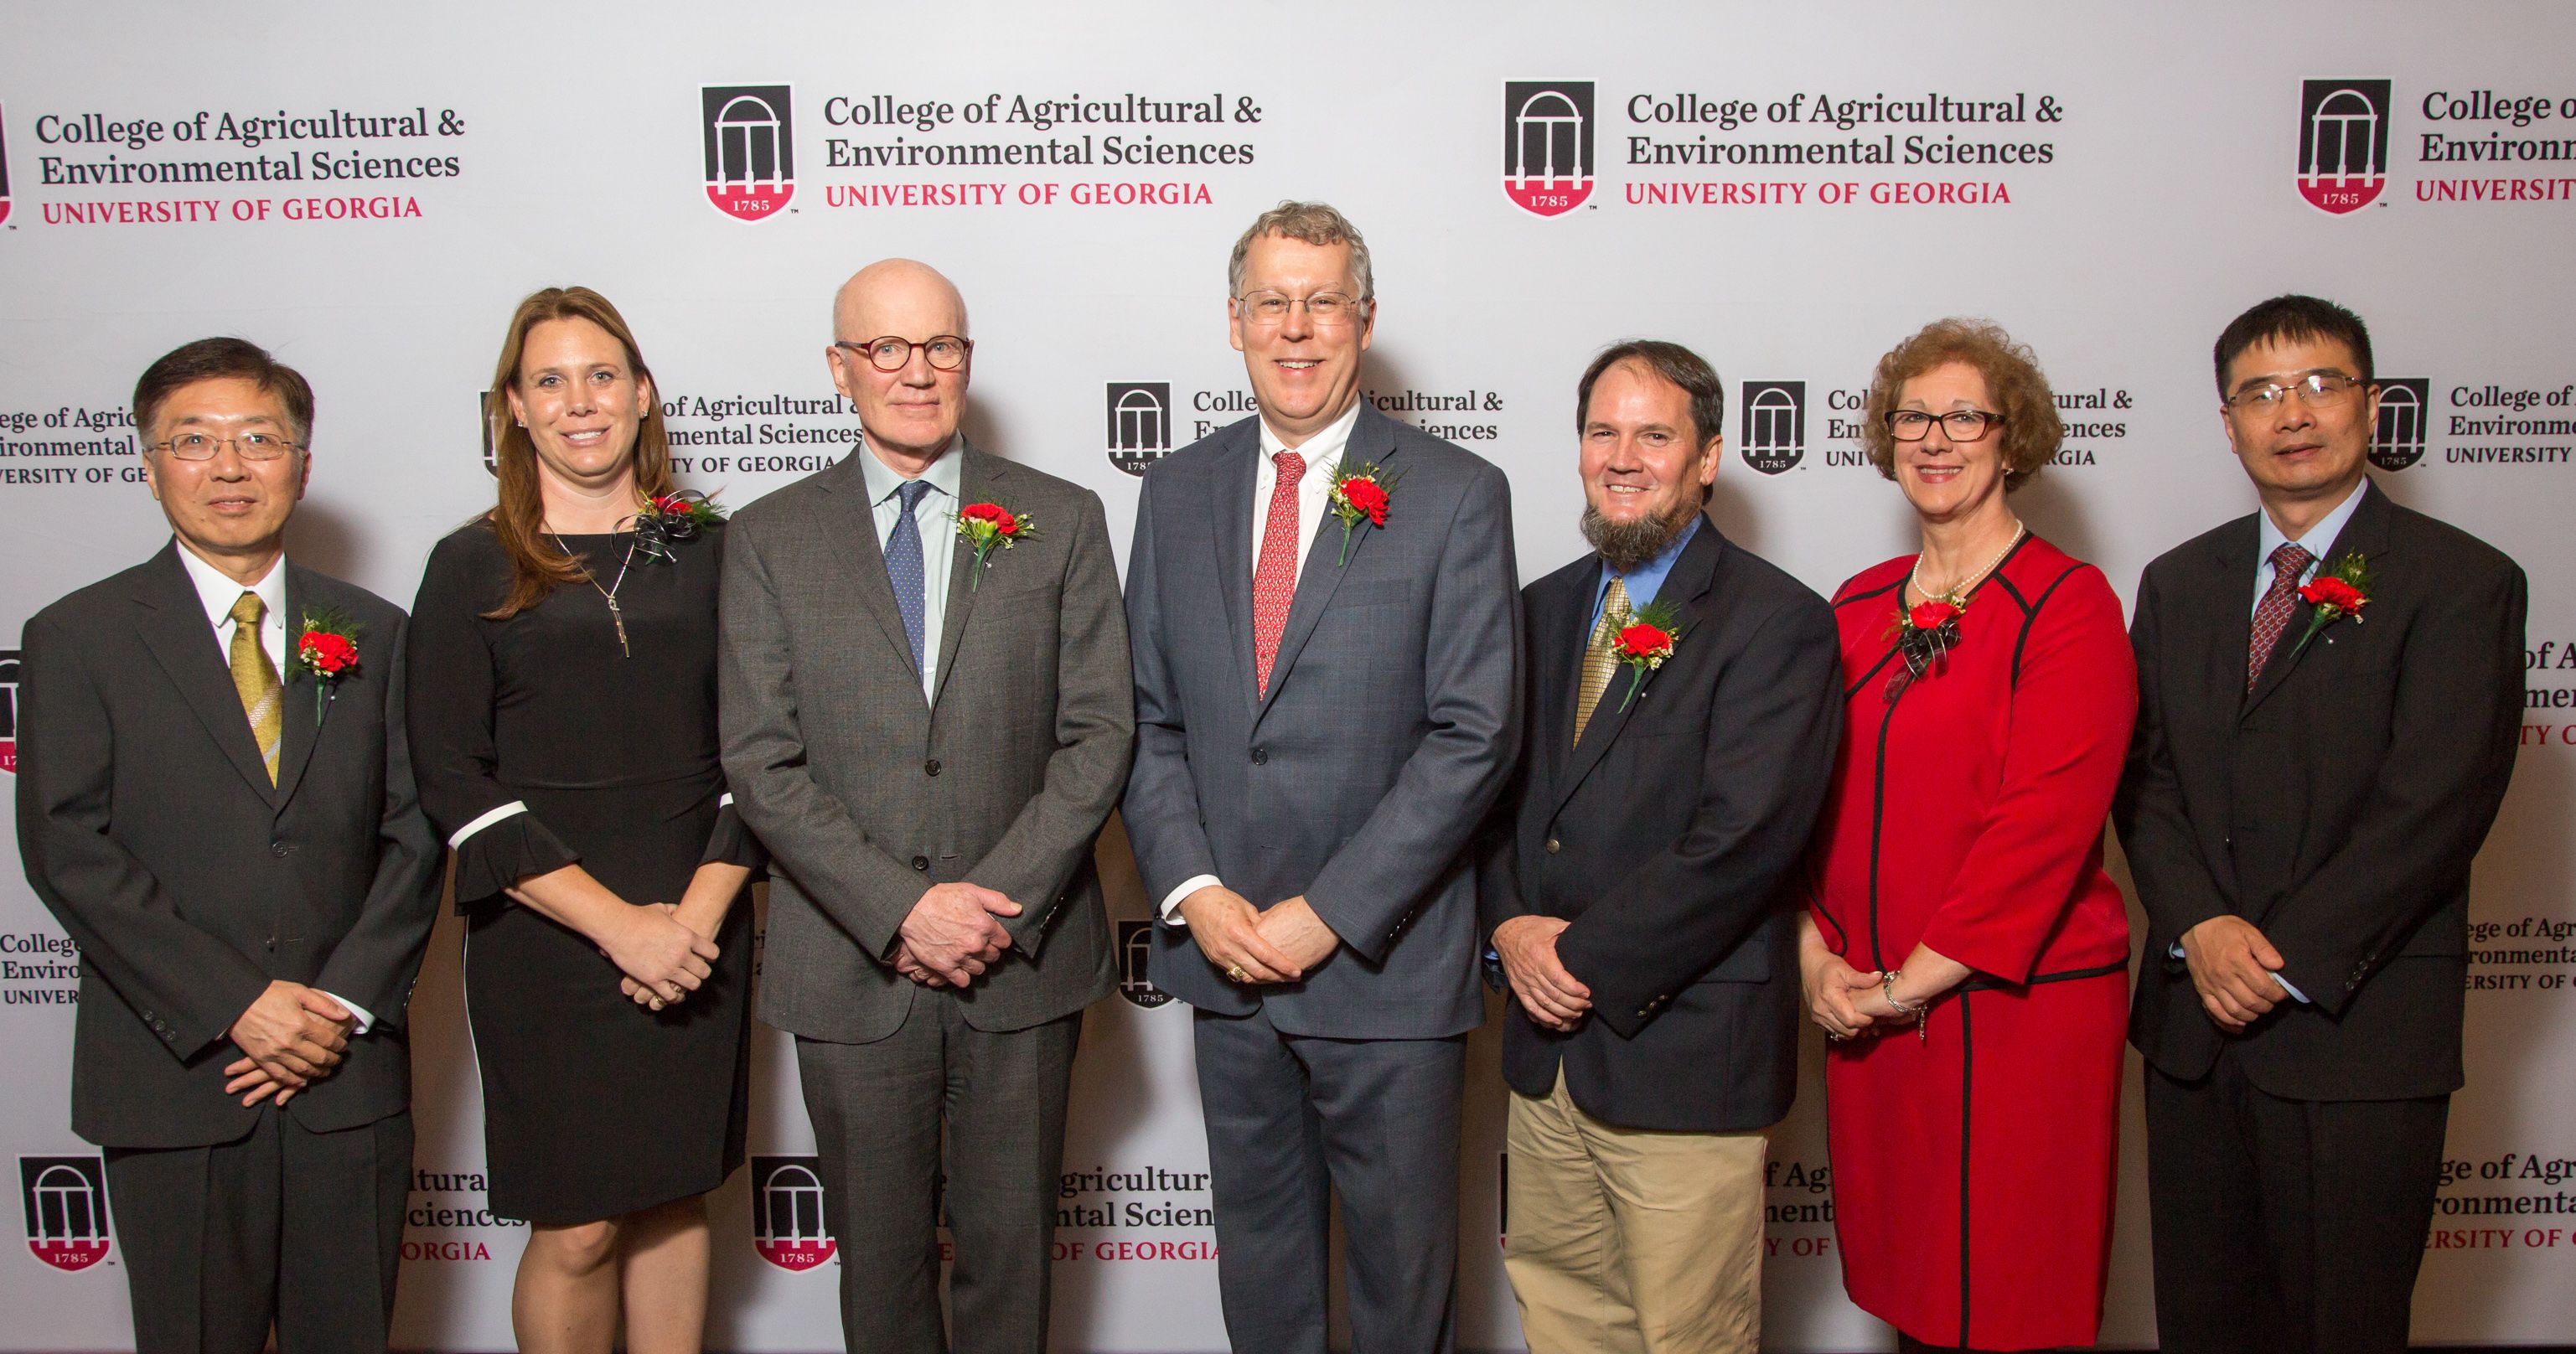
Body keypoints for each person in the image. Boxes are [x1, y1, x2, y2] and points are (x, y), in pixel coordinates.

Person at [1121, 200, 1521, 1354]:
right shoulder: (1176, 488)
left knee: (1403, 1298)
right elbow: (1149, 722)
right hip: (1226, 971)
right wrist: (1196, 893)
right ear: (1234, 322)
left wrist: (1329, 915)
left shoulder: (1454, 493)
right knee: (1264, 1292)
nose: (1297, 329)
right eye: (1271, 304)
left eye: (1323, 302)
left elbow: (1473, 734)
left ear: (1364, 318)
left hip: (1383, 979)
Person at [721, 259, 1133, 1354]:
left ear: (967, 360)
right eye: (886, 349)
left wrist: (989, 907)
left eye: (941, 346)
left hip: (1022, 960)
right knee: (881, 1276)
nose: (917, 372)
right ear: (838, 368)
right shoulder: (767, 539)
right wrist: (902, 909)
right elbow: (761, 761)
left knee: (1011, 1269)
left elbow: (1100, 735)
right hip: (851, 964)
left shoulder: (1061, 516)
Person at [15, 338, 442, 1353]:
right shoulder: (76, 635)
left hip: (346, 1072)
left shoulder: (379, 634)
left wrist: (335, 1005)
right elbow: (65, 844)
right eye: (193, 441)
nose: (229, 466)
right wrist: (235, 1005)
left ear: (302, 460)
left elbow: (416, 831)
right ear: (148, 461)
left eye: (259, 438)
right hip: (177, 1076)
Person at [2118, 295, 2524, 1354]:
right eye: (2259, 391)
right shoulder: (2177, 581)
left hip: (2359, 1033)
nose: (2289, 413)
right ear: (2226, 421)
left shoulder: (2462, 581)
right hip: (2193, 1033)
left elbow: (2435, 803)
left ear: (2371, 403)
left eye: (2318, 383)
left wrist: (2282, 959)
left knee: (2341, 1325)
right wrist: (2199, 926)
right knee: (2202, 1322)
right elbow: (2144, 780)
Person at [407, 287, 758, 1354]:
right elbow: (453, 780)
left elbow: (763, 750)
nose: (580, 401)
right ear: (512, 407)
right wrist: (622, 926)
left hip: (702, 916)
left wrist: (690, 922)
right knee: (579, 1228)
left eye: (602, 374)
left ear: (643, 393)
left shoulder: (715, 546)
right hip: (548, 937)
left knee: (672, 1198)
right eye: (549, 380)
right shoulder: (469, 563)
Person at [1478, 340, 1840, 1354]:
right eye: (1602, 431)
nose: (1621, 456)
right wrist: (1507, 923)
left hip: (1681, 1062)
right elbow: (1485, 799)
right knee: (1564, 1323)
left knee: (1687, 1337)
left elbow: (1743, 844)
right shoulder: (1538, 610)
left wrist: (1571, 960)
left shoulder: (1778, 623)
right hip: (1546, 1071)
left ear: (1709, 456)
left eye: (1653, 433)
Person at [1801, 319, 2136, 1353]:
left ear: (2010, 436)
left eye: (1962, 416)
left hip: (2012, 1011)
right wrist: (1812, 957)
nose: (1933, 439)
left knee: (2011, 1294)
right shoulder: (1853, 603)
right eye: (1912, 415)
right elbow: (1799, 803)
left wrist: (1905, 986)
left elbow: (2039, 830)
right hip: (1865, 1007)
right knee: (1911, 1288)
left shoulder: (2066, 605)